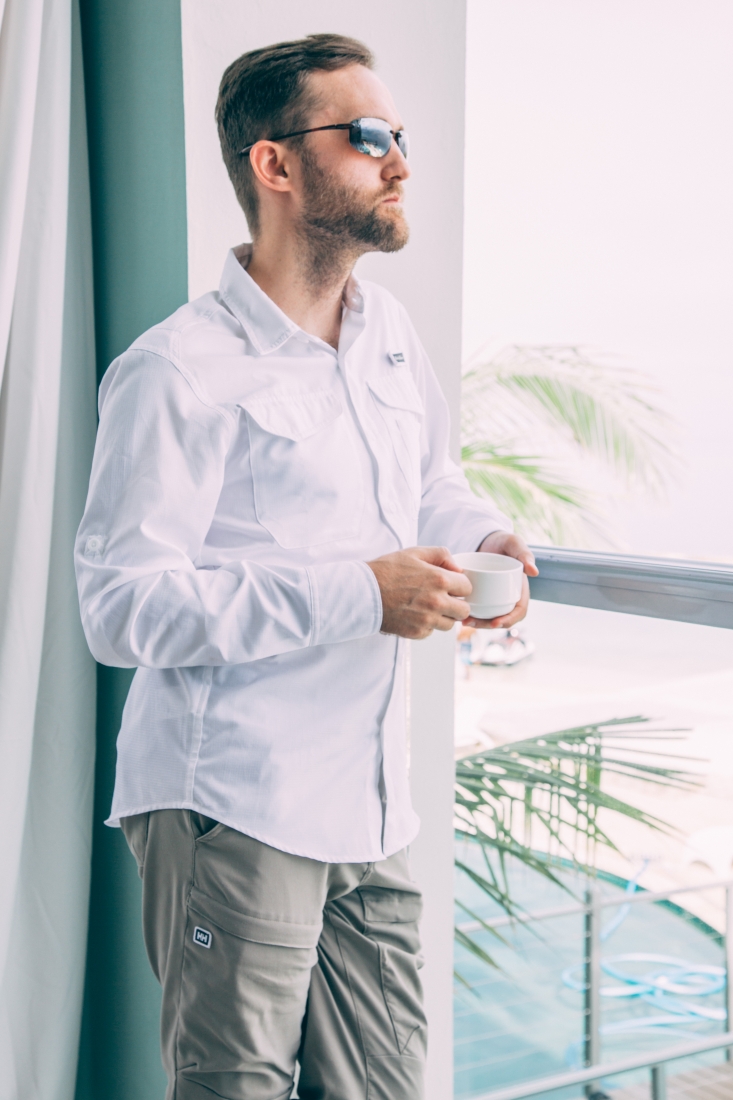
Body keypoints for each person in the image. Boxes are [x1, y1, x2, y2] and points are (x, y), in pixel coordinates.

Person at [75, 33, 538, 1100]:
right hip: (236, 803)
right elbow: (121, 608)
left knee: (384, 1086)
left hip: (371, 808)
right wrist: (360, 595)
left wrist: (484, 538)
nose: (400, 160)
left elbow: (428, 482)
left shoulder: (386, 334)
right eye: (367, 135)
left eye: (401, 136)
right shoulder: (173, 372)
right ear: (274, 166)